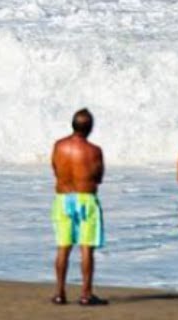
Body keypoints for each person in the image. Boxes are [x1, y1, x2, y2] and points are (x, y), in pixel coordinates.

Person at [50, 108, 107, 306]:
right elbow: (99, 177)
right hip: (86, 199)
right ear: (90, 128)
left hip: (63, 198)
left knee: (63, 247)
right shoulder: (94, 151)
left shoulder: (59, 146)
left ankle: (59, 292)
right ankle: (85, 293)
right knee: (86, 248)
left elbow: (56, 170)